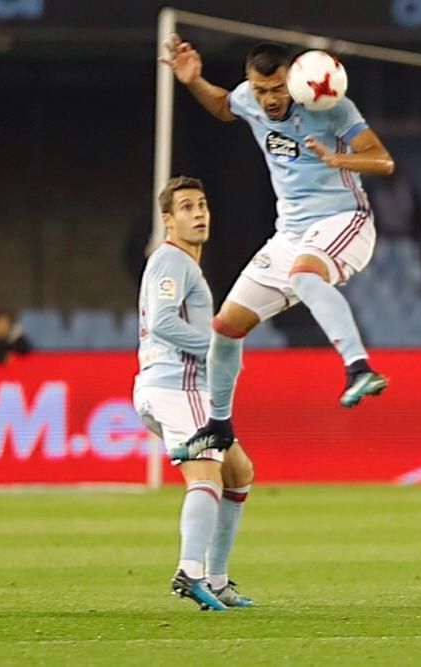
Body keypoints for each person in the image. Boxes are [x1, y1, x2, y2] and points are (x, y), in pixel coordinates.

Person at [160, 37, 394, 459]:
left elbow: (383, 160)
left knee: (304, 276)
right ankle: (218, 424)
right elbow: (222, 107)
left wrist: (340, 160)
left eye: (277, 89)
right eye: (261, 90)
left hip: (344, 220)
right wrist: (194, 81)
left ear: (294, 80)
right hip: (289, 233)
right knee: (226, 327)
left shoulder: (332, 107)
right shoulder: (249, 97)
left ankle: (359, 367)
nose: (268, 99)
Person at [133, 176, 255, 611]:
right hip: (175, 386)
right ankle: (191, 571)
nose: (198, 213)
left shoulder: (184, 264)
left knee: (238, 472)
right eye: (186, 207)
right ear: (167, 220)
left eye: (202, 205)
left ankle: (217, 580)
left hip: (173, 387)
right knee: (205, 476)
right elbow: (163, 322)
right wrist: (216, 347)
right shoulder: (172, 262)